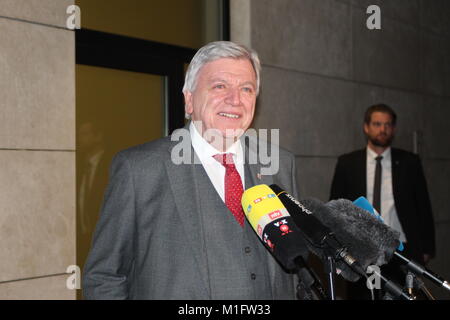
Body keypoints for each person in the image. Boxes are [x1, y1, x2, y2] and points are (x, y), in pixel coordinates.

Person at [82, 41, 304, 299]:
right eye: (220, 86)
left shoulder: (280, 163)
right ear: (189, 100)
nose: (235, 100)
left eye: (246, 88)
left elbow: (297, 272)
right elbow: (104, 277)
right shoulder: (140, 169)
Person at [330, 103, 435, 299]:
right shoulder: (347, 163)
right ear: (366, 127)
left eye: (387, 125)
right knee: (362, 297)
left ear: (393, 128)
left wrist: (427, 249)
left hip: (400, 250)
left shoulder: (409, 162)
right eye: (377, 124)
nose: (382, 129)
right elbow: (335, 208)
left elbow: (423, 206)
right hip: (361, 251)